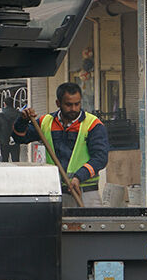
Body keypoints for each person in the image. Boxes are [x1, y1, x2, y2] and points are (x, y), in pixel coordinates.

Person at [11, 81, 109, 209]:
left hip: (85, 192)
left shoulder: (93, 125)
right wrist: (22, 120)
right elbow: (19, 137)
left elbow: (100, 158)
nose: (73, 108)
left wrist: (79, 177)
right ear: (58, 103)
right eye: (69, 105)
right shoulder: (46, 122)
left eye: (77, 104)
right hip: (56, 192)